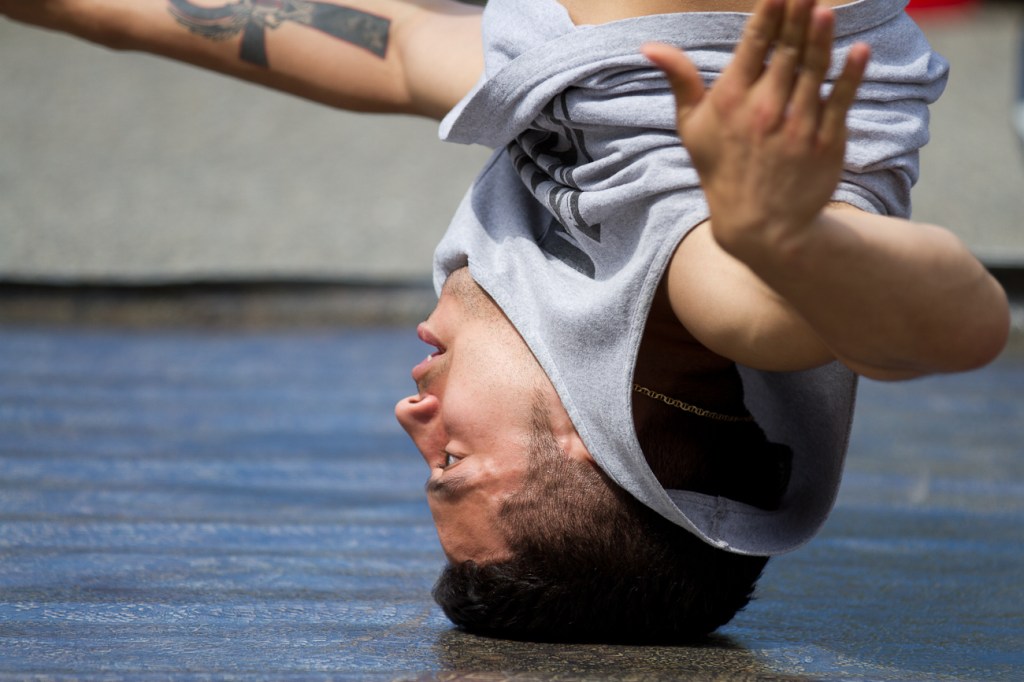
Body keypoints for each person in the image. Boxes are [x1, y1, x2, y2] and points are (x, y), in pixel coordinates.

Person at [2, 0, 1009, 643]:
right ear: (593, 442)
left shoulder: (585, 211)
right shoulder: (716, 291)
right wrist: (790, 238)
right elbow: (950, 329)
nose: (409, 416)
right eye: (449, 464)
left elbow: (390, 49)